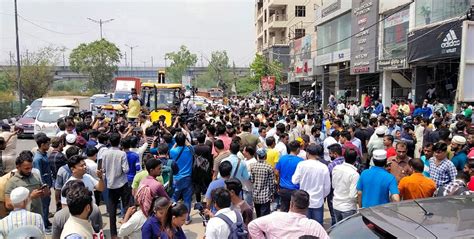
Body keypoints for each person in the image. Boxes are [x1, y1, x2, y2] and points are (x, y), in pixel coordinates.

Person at [248, 190, 329, 239]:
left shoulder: (275, 217)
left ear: (291, 204)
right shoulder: (314, 226)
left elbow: (252, 226)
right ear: (308, 206)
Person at [101, 132, 131, 239]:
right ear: (119, 142)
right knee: (126, 207)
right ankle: (126, 231)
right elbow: (126, 169)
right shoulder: (122, 154)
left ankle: (113, 234)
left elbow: (102, 168)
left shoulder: (105, 153)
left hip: (110, 184)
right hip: (122, 183)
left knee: (112, 210)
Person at [292, 144, 330, 224]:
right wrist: (321, 195)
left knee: (305, 225)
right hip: (318, 201)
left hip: (304, 201)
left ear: (307, 153)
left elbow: (294, 180)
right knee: (317, 226)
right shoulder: (323, 167)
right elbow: (327, 188)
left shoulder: (301, 165)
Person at [5, 151, 49, 217]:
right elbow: (8, 205)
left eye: (31, 168)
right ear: (18, 167)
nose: (29, 170)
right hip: (22, 219)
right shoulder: (12, 182)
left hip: (38, 217)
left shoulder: (36, 176)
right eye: (26, 168)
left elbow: (42, 196)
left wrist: (45, 192)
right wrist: (30, 197)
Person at [170, 132, 194, 224]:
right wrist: (185, 141)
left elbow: (171, 149)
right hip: (188, 177)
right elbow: (189, 145)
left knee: (174, 198)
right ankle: (187, 218)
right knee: (187, 199)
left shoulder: (173, 151)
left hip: (176, 178)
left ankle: (174, 217)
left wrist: (176, 142)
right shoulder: (190, 149)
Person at [332, 149, 360, 222]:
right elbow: (352, 195)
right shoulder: (354, 174)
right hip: (348, 207)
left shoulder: (336, 168)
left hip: (336, 204)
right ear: (355, 159)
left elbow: (334, 185)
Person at [275, 141, 304, 212]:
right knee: (294, 210)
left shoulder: (282, 158)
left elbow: (276, 172)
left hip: (283, 188)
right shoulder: (301, 161)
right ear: (298, 149)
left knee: (284, 209)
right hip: (295, 189)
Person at [32, 133, 52, 231]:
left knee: (47, 204)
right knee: (43, 206)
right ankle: (44, 225)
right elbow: (38, 175)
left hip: (48, 184)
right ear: (42, 144)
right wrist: (44, 187)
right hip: (43, 187)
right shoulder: (38, 159)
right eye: (48, 144)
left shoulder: (44, 155)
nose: (49, 146)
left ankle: (46, 221)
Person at [250, 149, 275, 218]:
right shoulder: (269, 167)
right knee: (264, 217)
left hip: (255, 195)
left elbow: (252, 180)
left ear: (257, 156)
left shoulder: (253, 166)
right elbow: (271, 183)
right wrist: (272, 194)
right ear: (265, 156)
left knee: (258, 216)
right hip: (265, 196)